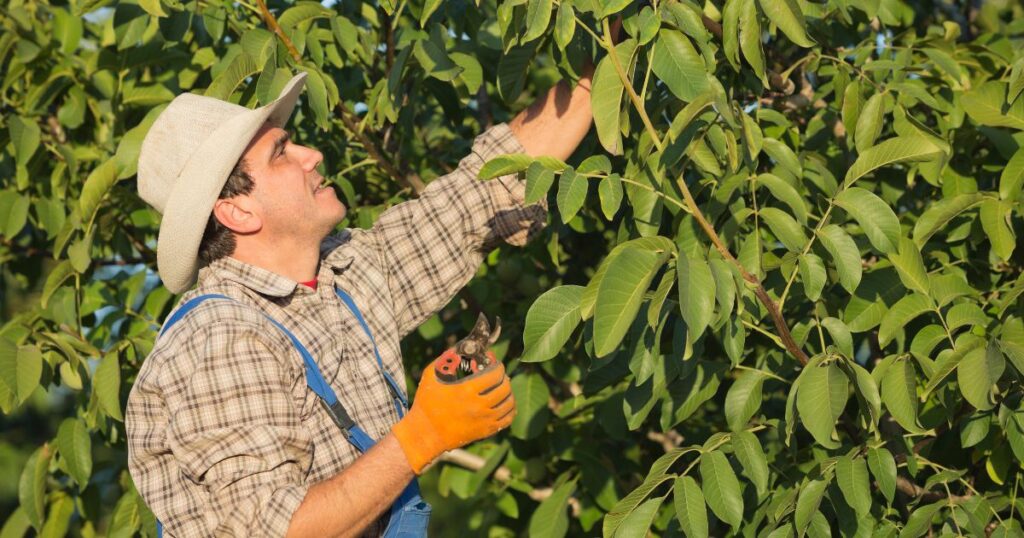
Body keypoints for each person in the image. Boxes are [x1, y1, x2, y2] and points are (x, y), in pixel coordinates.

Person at [124, 43, 600, 536]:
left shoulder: (347, 272)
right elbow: (278, 530)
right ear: (238, 212)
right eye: (282, 153)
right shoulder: (222, 338)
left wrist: (601, 72)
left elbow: (483, 189)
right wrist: (424, 433)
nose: (313, 155)